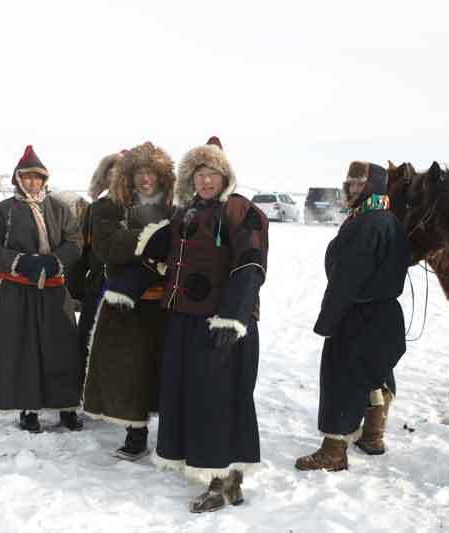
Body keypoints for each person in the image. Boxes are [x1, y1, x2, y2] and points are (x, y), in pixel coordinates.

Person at [139, 138, 269, 513]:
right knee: (195, 399)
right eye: (200, 174)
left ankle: (221, 480)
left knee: (218, 400)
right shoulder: (187, 212)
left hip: (221, 324)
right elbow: (171, 257)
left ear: (225, 176)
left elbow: (250, 264)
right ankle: (225, 477)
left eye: (213, 174)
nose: (206, 181)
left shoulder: (240, 210)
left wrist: (233, 316)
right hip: (186, 322)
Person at [294, 161, 411, 471]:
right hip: (385, 315)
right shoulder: (390, 220)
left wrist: (329, 319)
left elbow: (347, 278)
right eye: (351, 184)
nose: (353, 189)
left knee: (340, 378)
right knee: (376, 371)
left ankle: (333, 450)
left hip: (356, 313)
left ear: (375, 186)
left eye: (360, 184)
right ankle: (373, 436)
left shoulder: (366, 223)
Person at [0, 145, 83, 433]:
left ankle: (67, 406)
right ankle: (28, 408)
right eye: (28, 177)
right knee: (24, 349)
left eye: (38, 177)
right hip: (17, 291)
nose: (33, 182)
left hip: (54, 290)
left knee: (61, 348)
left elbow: (75, 241)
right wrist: (21, 262)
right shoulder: (3, 211)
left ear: (44, 180)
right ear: (18, 179)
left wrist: (54, 261)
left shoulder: (59, 209)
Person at [82, 142, 175, 460]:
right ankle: (136, 434)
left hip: (167, 304)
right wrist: (151, 239)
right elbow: (107, 249)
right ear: (130, 177)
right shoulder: (109, 207)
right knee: (131, 371)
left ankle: (172, 439)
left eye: (152, 173)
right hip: (128, 305)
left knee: (165, 369)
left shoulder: (176, 208)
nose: (146, 179)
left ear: (163, 176)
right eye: (140, 173)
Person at [66, 151, 123, 390]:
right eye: (111, 172)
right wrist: (75, 290)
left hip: (130, 288)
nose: (115, 176)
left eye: (120, 172)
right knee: (87, 340)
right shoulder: (95, 208)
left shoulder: (141, 208)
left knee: (122, 346)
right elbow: (81, 251)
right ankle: (83, 392)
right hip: (97, 284)